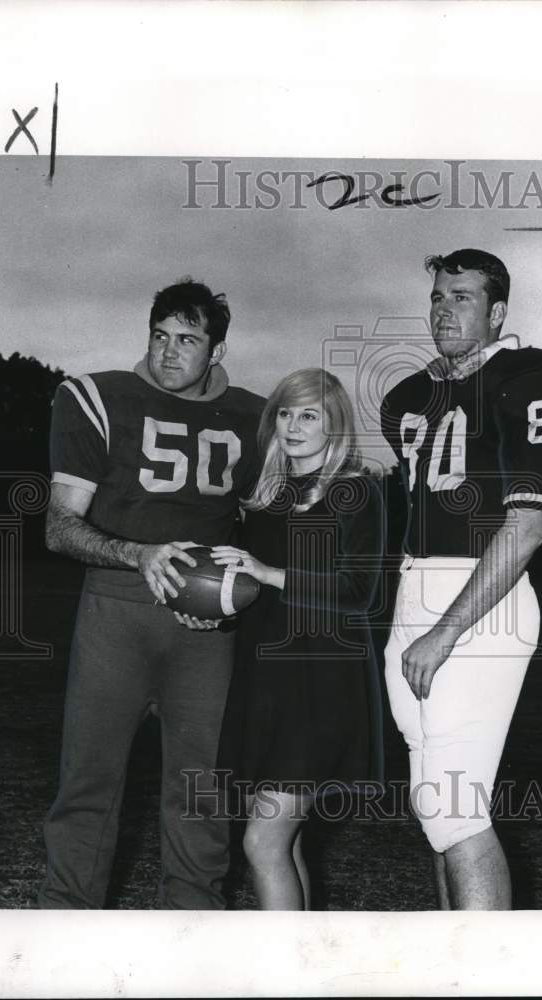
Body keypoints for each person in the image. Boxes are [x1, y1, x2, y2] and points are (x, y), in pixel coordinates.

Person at [38, 278, 264, 909]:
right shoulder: (97, 397)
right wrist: (138, 555)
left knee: (202, 790)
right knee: (89, 782)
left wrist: (235, 592)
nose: (169, 352)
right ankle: (65, 928)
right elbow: (59, 526)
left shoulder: (253, 415)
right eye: (160, 336)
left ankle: (190, 934)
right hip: (116, 608)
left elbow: (275, 530)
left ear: (216, 351)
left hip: (207, 628)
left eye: (188, 339)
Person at [380, 248, 542, 910]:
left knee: (455, 812)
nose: (443, 308)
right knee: (432, 808)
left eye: (461, 297)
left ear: (498, 311)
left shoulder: (534, 376)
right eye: (438, 296)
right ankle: (452, 963)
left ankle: (486, 971)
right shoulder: (413, 394)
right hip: (415, 590)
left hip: (478, 601)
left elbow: (526, 528)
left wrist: (445, 631)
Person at [211, 368, 385, 910]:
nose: (292, 424)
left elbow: (359, 592)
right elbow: (246, 590)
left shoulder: (357, 490)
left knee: (262, 840)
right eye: (284, 412)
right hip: (267, 681)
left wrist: (267, 574)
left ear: (334, 424)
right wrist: (216, 608)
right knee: (288, 841)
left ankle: (282, 973)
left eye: (308, 414)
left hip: (321, 683)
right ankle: (306, 966)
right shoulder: (263, 496)